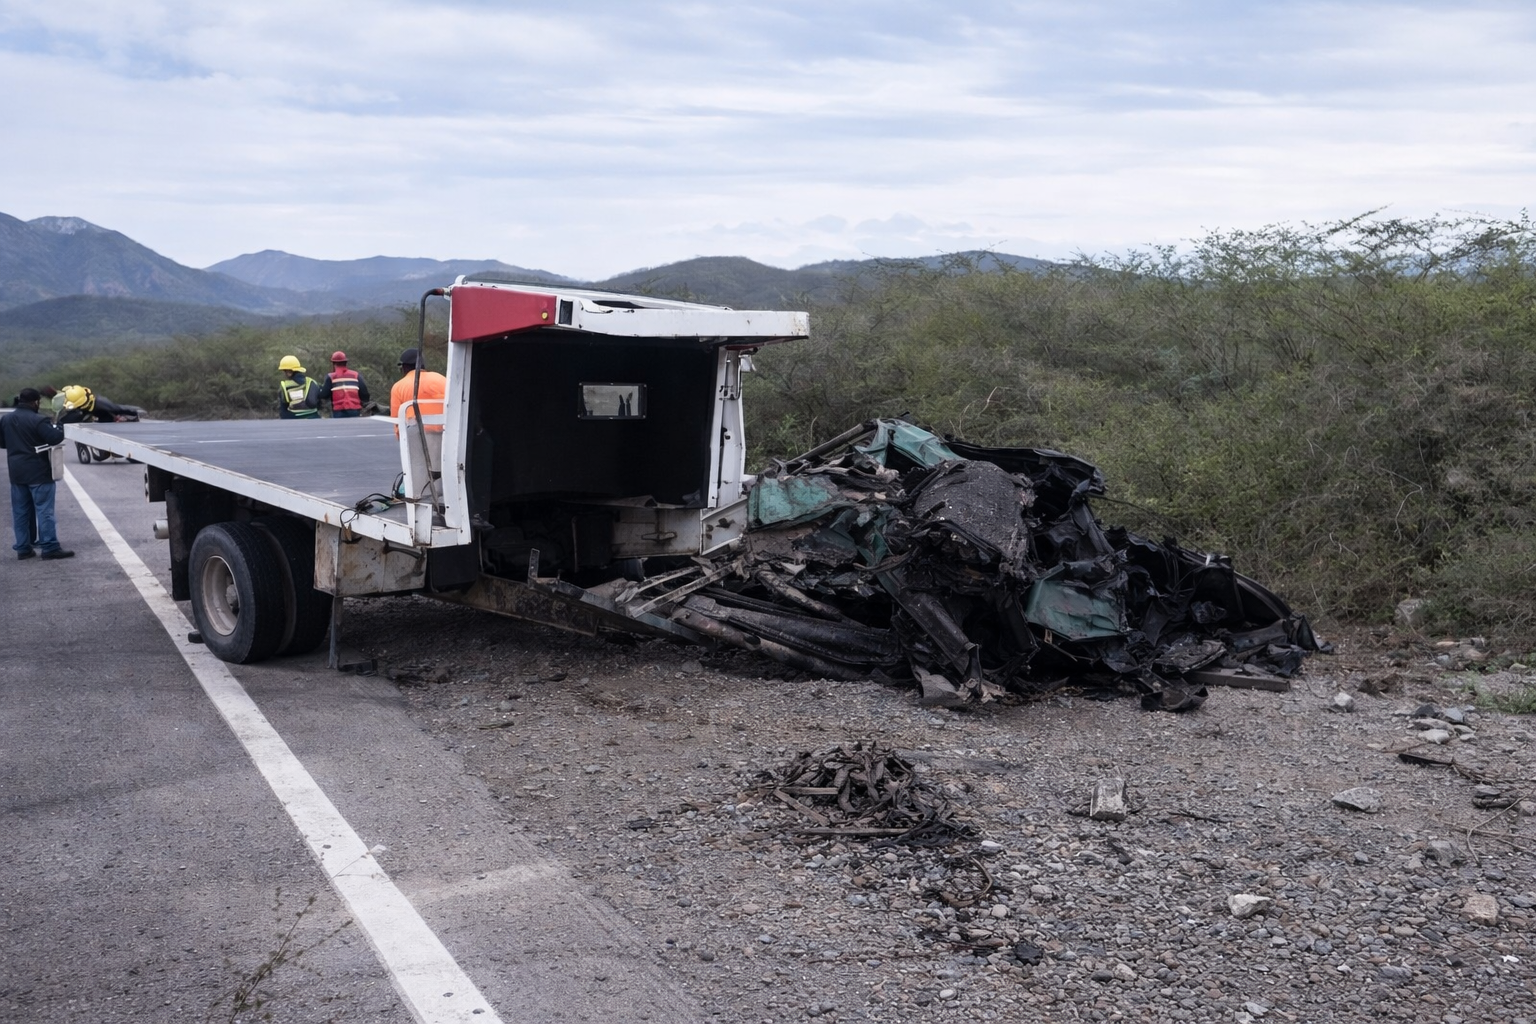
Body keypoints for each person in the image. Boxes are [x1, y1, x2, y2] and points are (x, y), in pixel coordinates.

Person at [1, 388, 73, 560]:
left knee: (20, 512)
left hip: (16, 473)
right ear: (35, 402)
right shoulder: (38, 420)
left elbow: (2, 443)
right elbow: (55, 438)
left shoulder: (6, 419)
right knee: (44, 510)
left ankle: (23, 548)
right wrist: (60, 425)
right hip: (39, 472)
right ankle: (49, 547)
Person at [390, 348, 448, 470]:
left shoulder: (399, 386)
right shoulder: (441, 379)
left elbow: (397, 421)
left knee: (420, 472)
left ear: (404, 367)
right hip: (445, 434)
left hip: (416, 437)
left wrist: (403, 440)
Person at [317, 350, 370, 418]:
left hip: (338, 411)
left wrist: (319, 391)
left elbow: (324, 395)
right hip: (355, 410)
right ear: (345, 362)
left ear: (334, 364)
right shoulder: (356, 375)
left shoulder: (331, 377)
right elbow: (365, 394)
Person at [54, 385, 141, 426]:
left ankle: (133, 414)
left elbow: (117, 408)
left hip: (100, 411)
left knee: (114, 409)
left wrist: (134, 412)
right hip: (93, 413)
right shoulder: (71, 395)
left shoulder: (100, 404)